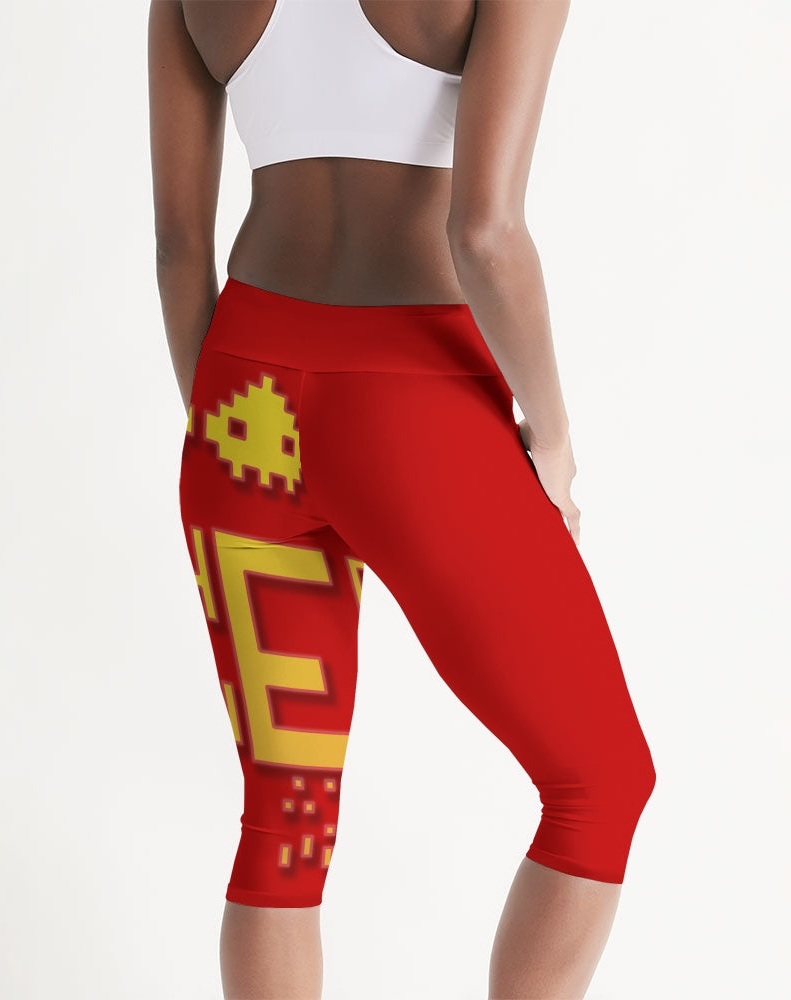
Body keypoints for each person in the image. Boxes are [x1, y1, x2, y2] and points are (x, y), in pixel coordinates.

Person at [148, 2, 656, 997]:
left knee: (286, 820)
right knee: (600, 784)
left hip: (241, 402)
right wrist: (552, 438)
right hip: (411, 402)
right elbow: (486, 234)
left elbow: (176, 246)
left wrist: (225, 431)